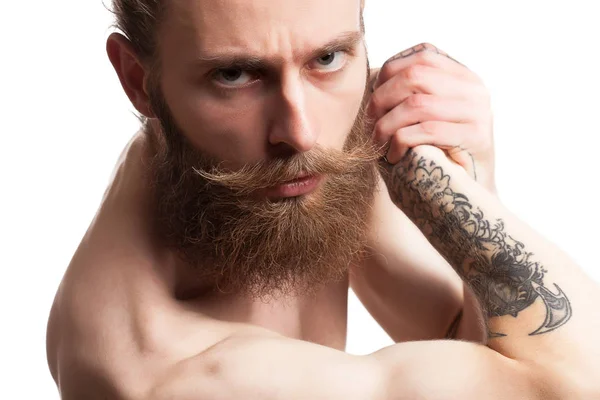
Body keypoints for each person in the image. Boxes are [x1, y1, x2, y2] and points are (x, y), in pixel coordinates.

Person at [45, 0, 600, 398]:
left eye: (328, 58)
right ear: (139, 79)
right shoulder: (157, 372)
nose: (302, 132)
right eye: (235, 75)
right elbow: (569, 382)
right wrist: (465, 192)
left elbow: (461, 330)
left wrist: (469, 177)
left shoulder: (280, 166)